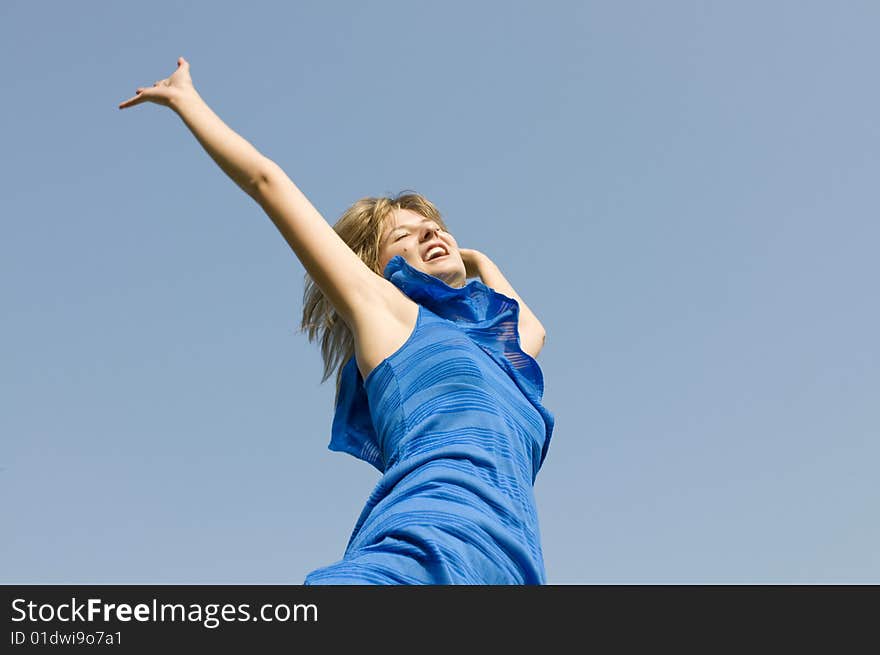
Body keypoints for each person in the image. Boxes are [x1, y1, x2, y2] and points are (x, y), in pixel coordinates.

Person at [119, 57, 555, 584]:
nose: (431, 235)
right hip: (414, 560)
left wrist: (476, 258)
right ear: (378, 269)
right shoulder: (390, 317)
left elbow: (530, 327)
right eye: (405, 235)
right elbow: (266, 182)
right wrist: (188, 101)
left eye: (436, 227)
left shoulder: (505, 359)